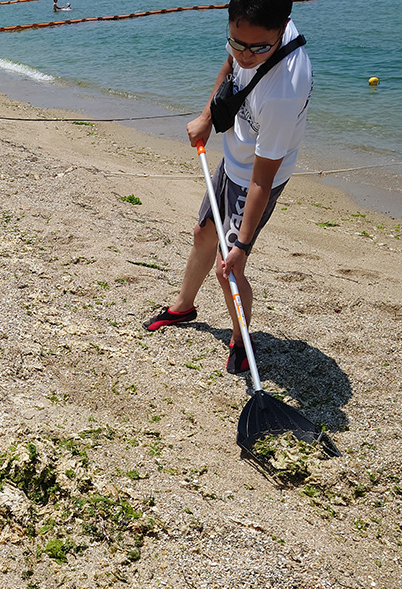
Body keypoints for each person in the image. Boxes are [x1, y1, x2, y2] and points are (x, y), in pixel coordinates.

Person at [143, 0, 311, 375]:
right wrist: (206, 118)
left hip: (256, 176)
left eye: (259, 48)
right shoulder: (250, 33)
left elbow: (261, 181)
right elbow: (231, 67)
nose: (246, 55)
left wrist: (242, 246)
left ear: (283, 29)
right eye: (237, 42)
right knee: (202, 232)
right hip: (234, 158)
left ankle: (240, 338)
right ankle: (184, 306)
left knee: (229, 270)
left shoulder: (284, 90)